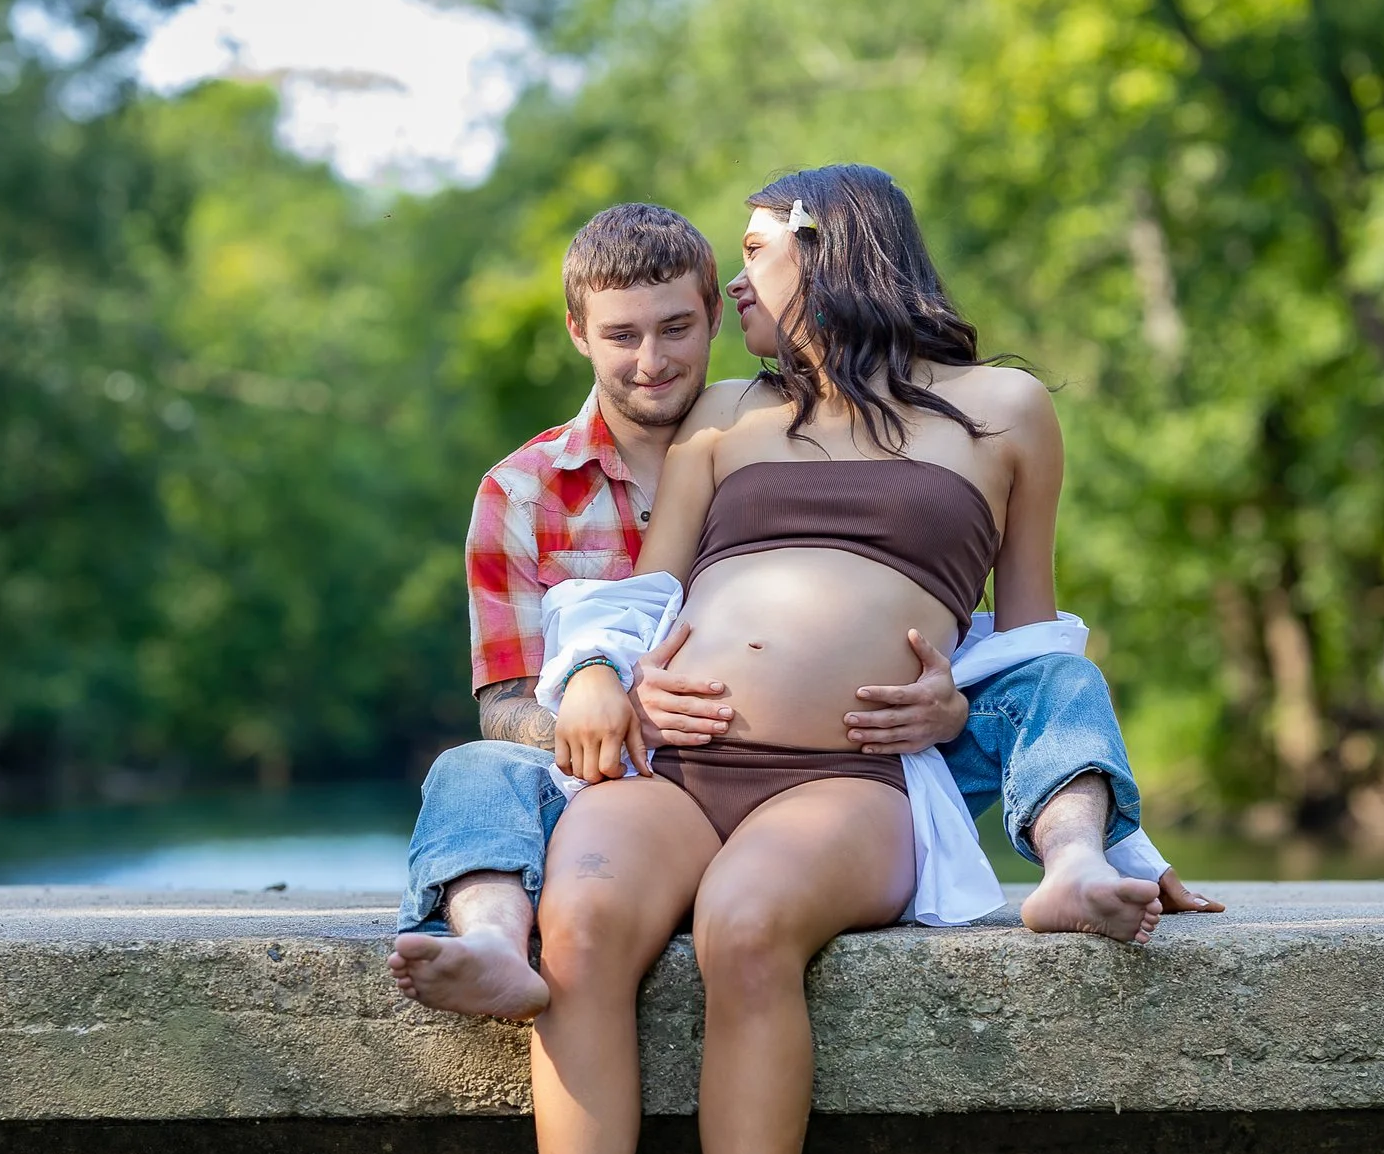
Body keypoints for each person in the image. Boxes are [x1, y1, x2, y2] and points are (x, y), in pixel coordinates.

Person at [527, 164, 1145, 1154]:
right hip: (678, 767)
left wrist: (952, 697)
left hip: (847, 790)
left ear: (834, 245)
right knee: (571, 913)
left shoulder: (1005, 409)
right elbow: (637, 602)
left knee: (749, 923)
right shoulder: (724, 422)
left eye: (753, 255)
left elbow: (1030, 642)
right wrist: (603, 680)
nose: (734, 286)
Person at [386, 203, 1217, 1020]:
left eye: (676, 328)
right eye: (622, 335)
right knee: (469, 770)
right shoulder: (522, 492)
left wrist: (956, 705)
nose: (652, 360)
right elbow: (503, 701)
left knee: (1060, 678)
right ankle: (493, 940)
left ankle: (1075, 862)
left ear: (713, 317)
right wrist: (610, 705)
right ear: (579, 332)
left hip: (867, 763)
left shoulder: (767, 420)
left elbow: (961, 622)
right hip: (639, 777)